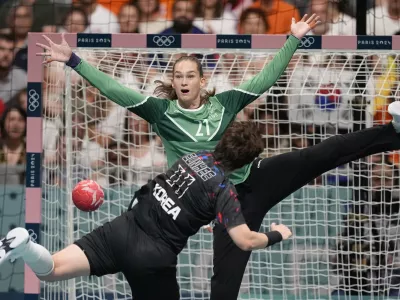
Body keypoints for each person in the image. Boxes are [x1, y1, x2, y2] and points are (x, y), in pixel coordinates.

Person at [34, 13, 400, 299]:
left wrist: (292, 40)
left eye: (190, 75)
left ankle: (394, 131)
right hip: (223, 201)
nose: (183, 81)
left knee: (323, 153)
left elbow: (264, 81)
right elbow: (116, 90)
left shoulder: (223, 102)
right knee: (225, 286)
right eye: (177, 76)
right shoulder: (162, 112)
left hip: (255, 177)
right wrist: (75, 62)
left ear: (202, 79)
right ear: (173, 81)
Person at [0, 122, 292, 299]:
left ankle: (25, 246)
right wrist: (275, 234)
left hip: (122, 228)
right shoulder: (224, 190)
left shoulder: (192, 156)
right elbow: (244, 241)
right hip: (152, 257)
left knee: (51, 270)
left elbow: (185, 197)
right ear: (245, 163)